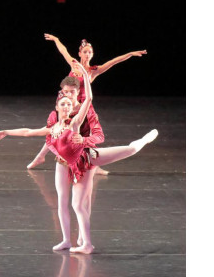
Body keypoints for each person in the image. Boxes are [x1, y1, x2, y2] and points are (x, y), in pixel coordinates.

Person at [0, 65, 158, 254]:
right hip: (64, 163)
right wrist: (6, 132)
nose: (66, 105)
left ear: (72, 108)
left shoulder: (75, 123)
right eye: (62, 103)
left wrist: (86, 76)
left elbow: (89, 100)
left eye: (69, 104)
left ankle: (142, 141)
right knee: (63, 201)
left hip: (85, 160)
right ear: (56, 106)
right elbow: (28, 132)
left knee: (128, 151)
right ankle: (66, 240)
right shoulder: (52, 127)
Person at [27, 35, 147, 173]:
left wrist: (130, 54)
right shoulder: (73, 64)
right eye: (85, 52)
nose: (88, 54)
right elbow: (63, 50)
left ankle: (94, 165)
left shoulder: (93, 71)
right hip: (69, 104)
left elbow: (113, 62)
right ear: (79, 53)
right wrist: (56, 40)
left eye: (90, 52)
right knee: (58, 131)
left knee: (87, 135)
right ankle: (41, 156)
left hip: (83, 106)